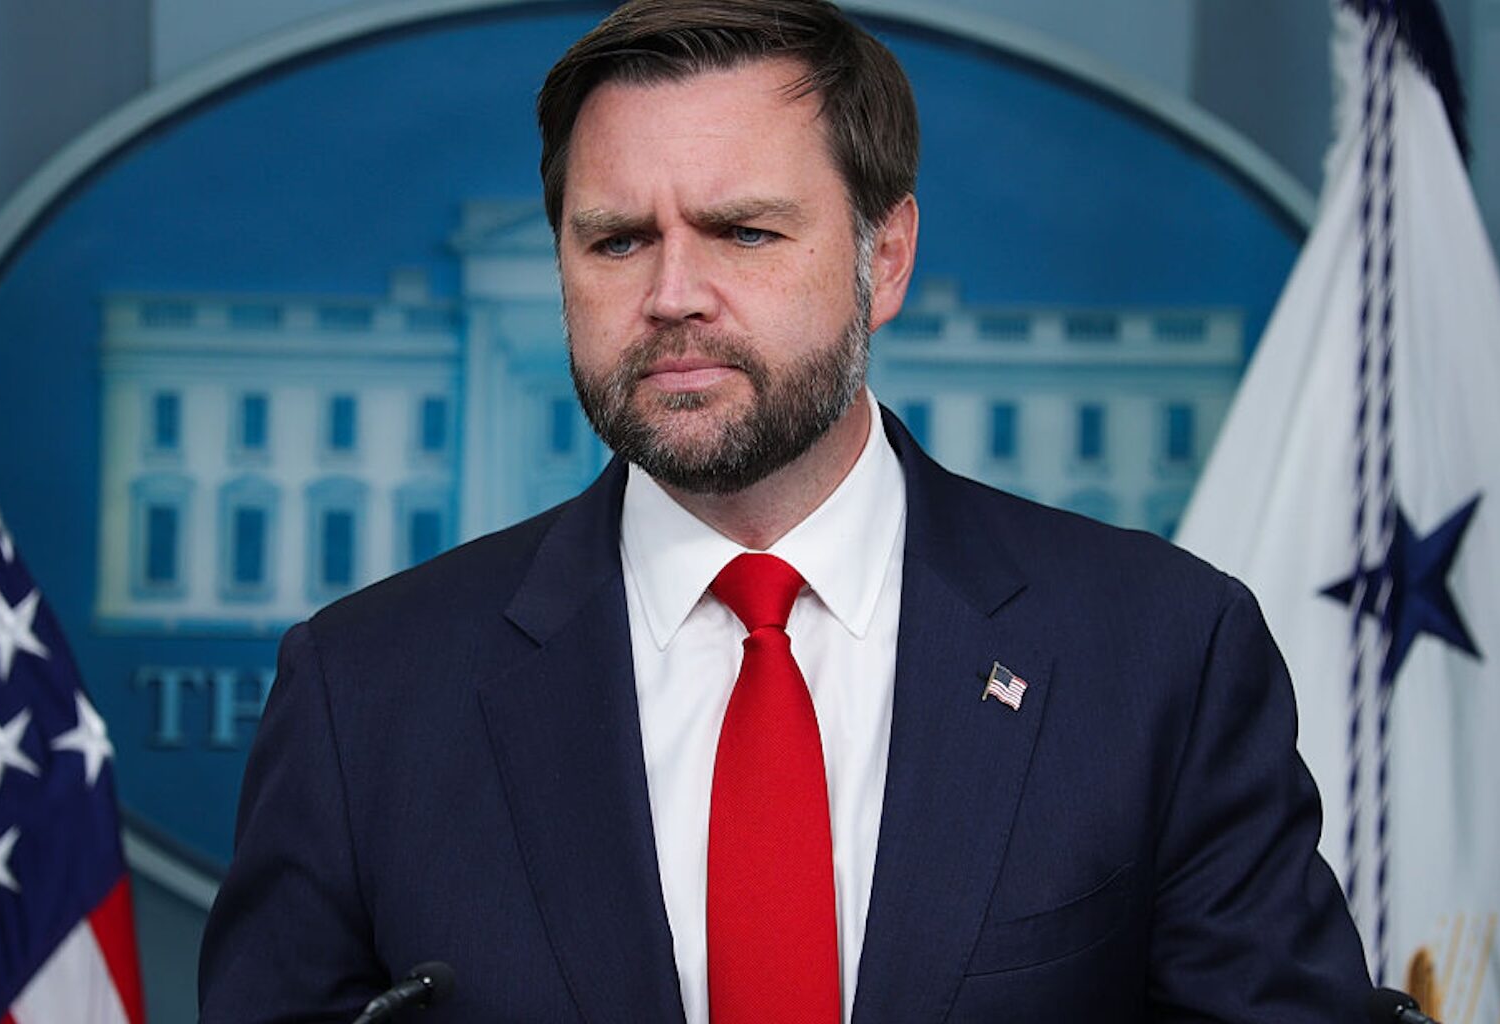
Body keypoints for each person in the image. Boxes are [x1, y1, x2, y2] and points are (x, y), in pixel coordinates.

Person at [198, 1, 1373, 1020]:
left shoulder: (1161, 651)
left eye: (744, 232)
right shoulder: (364, 693)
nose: (670, 296)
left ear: (888, 259)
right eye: (616, 240)